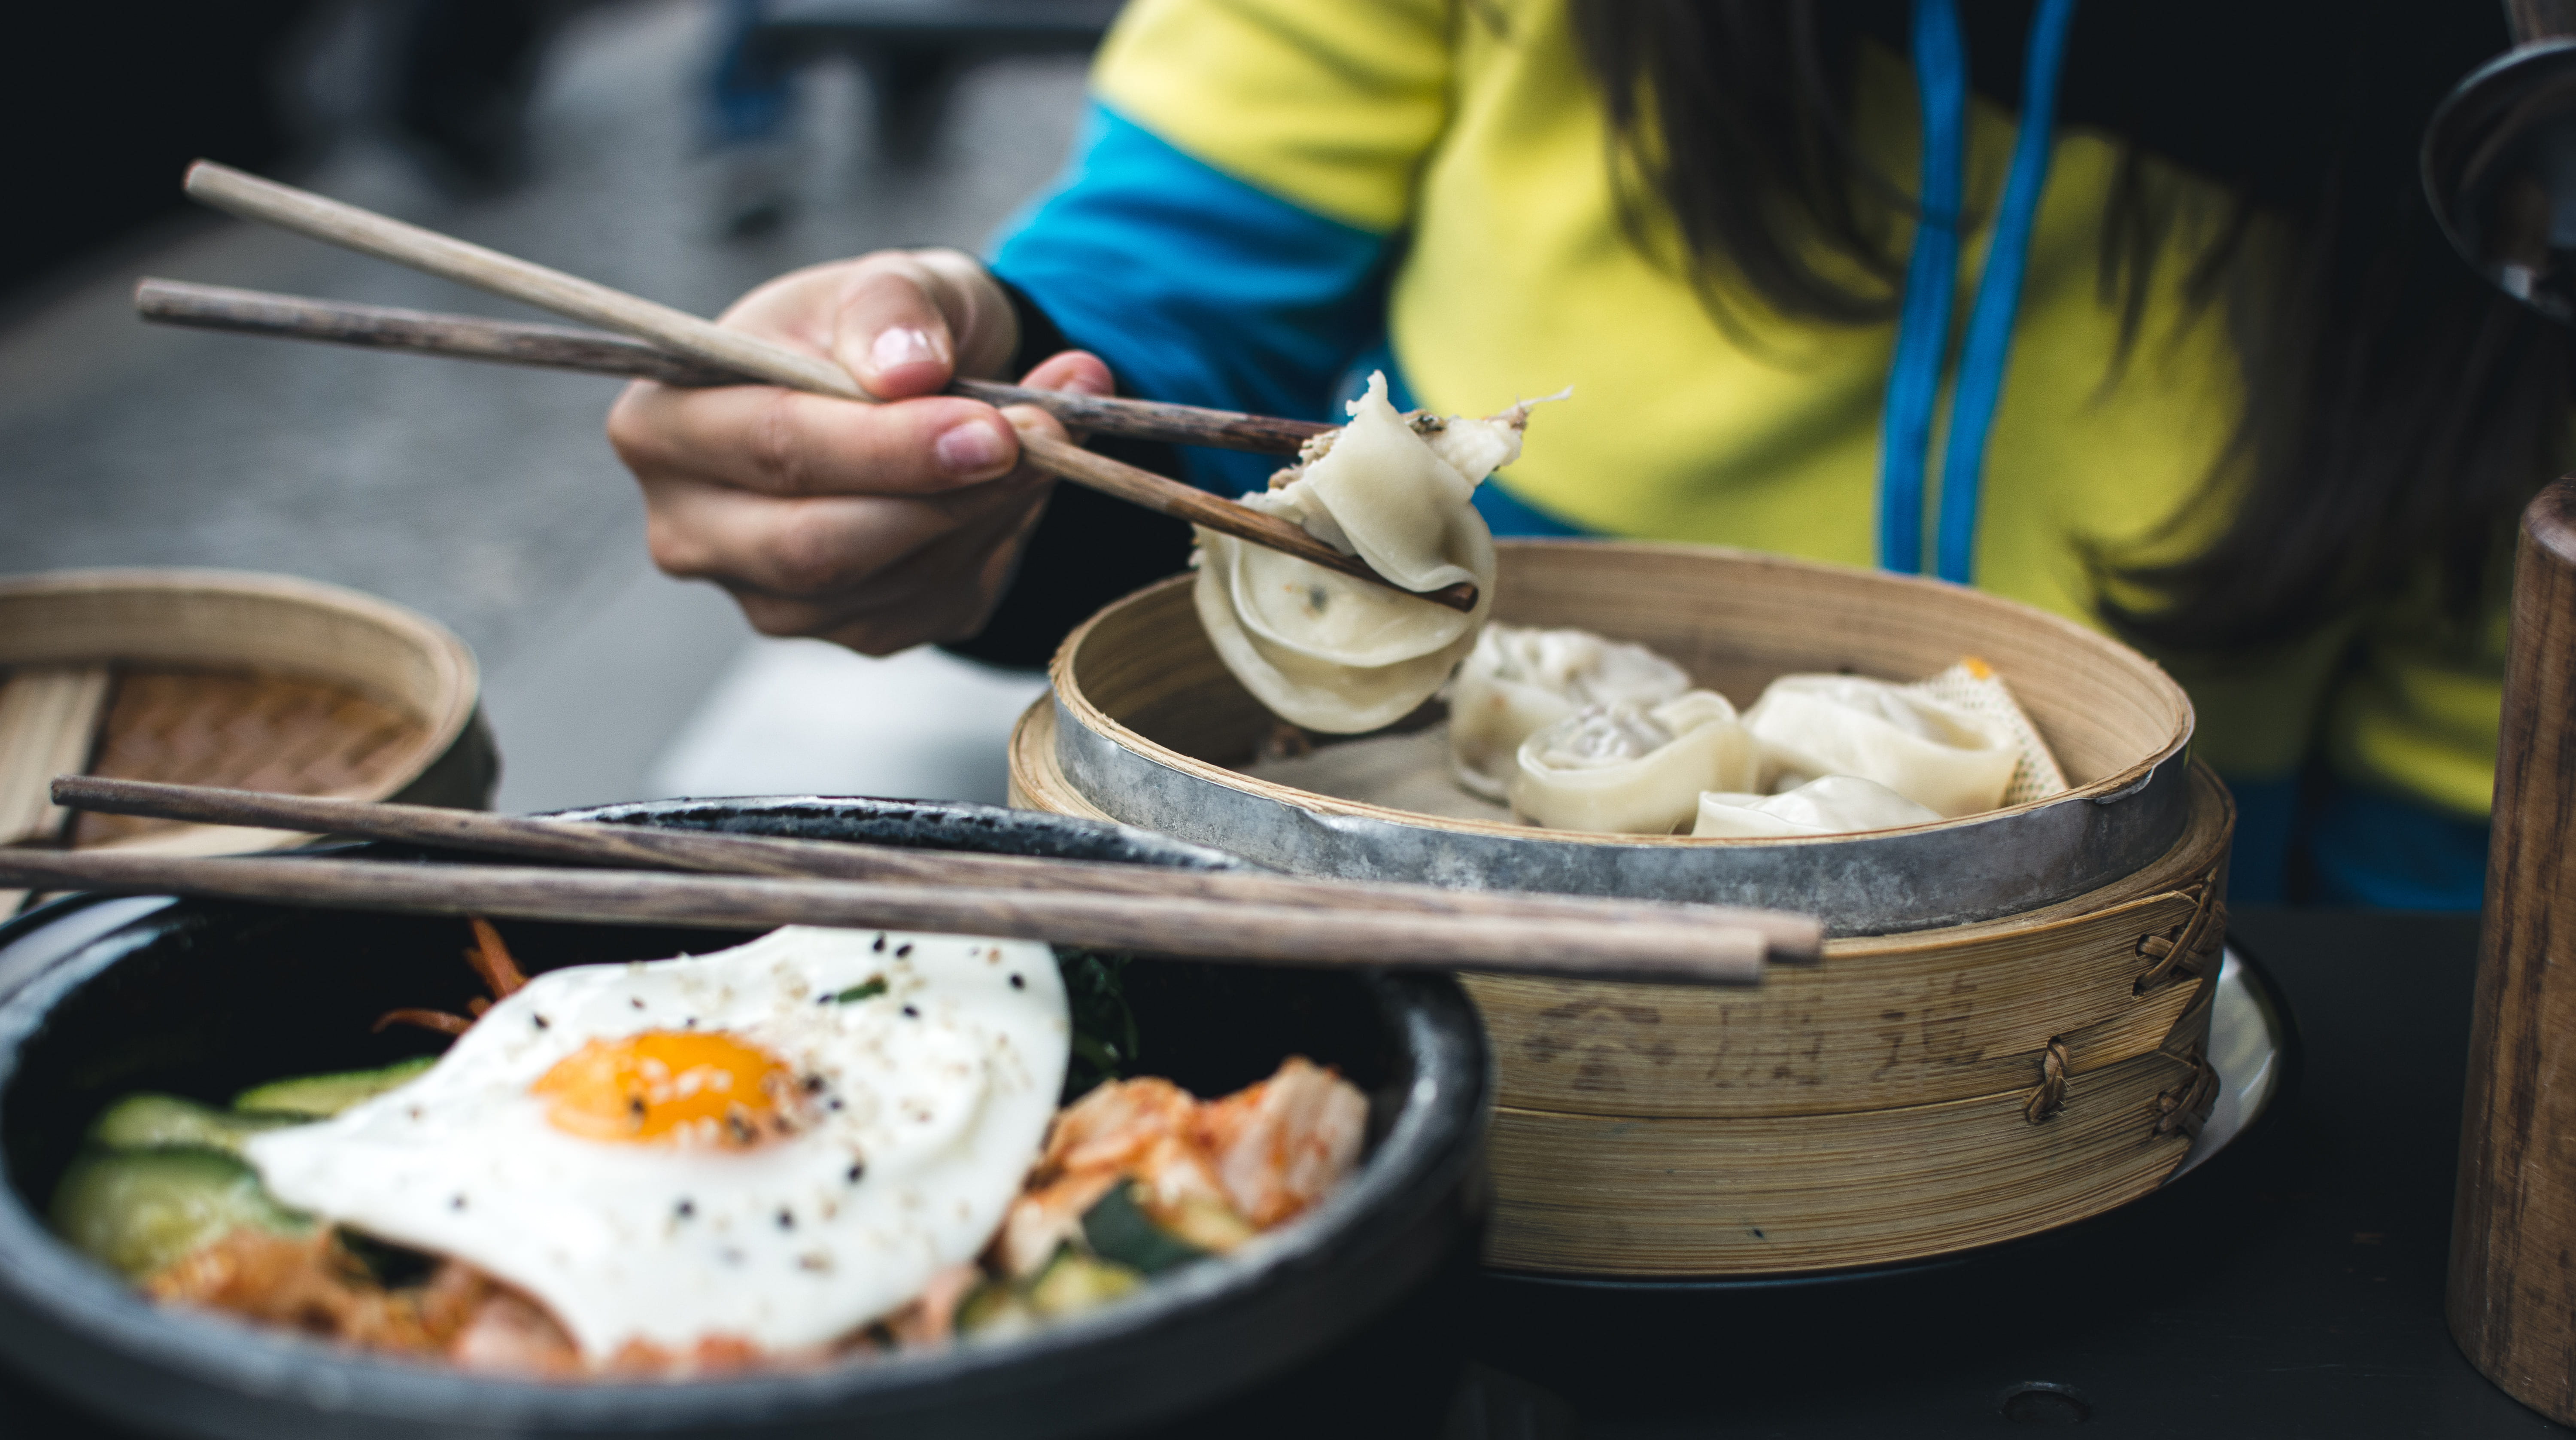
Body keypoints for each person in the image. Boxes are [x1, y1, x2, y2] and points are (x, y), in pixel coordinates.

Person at [608, 0, 2555, 908]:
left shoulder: (2503, 87)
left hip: (2119, 1027)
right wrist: (973, 416)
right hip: (1393, 913)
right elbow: (1175, 297)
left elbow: (2457, 790)